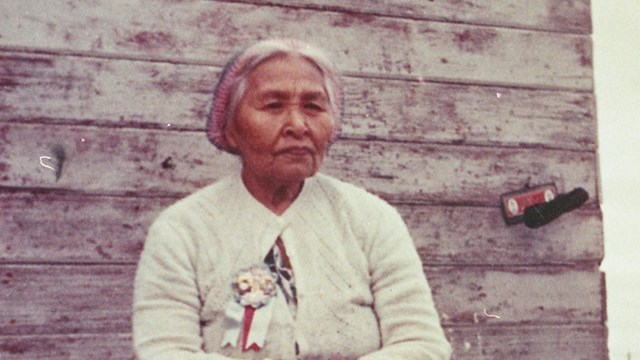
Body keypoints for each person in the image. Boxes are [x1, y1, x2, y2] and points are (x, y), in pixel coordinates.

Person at [132, 38, 452, 360]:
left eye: (313, 106)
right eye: (273, 106)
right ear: (231, 128)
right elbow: (164, 351)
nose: (298, 126)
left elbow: (422, 344)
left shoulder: (371, 218)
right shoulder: (181, 230)